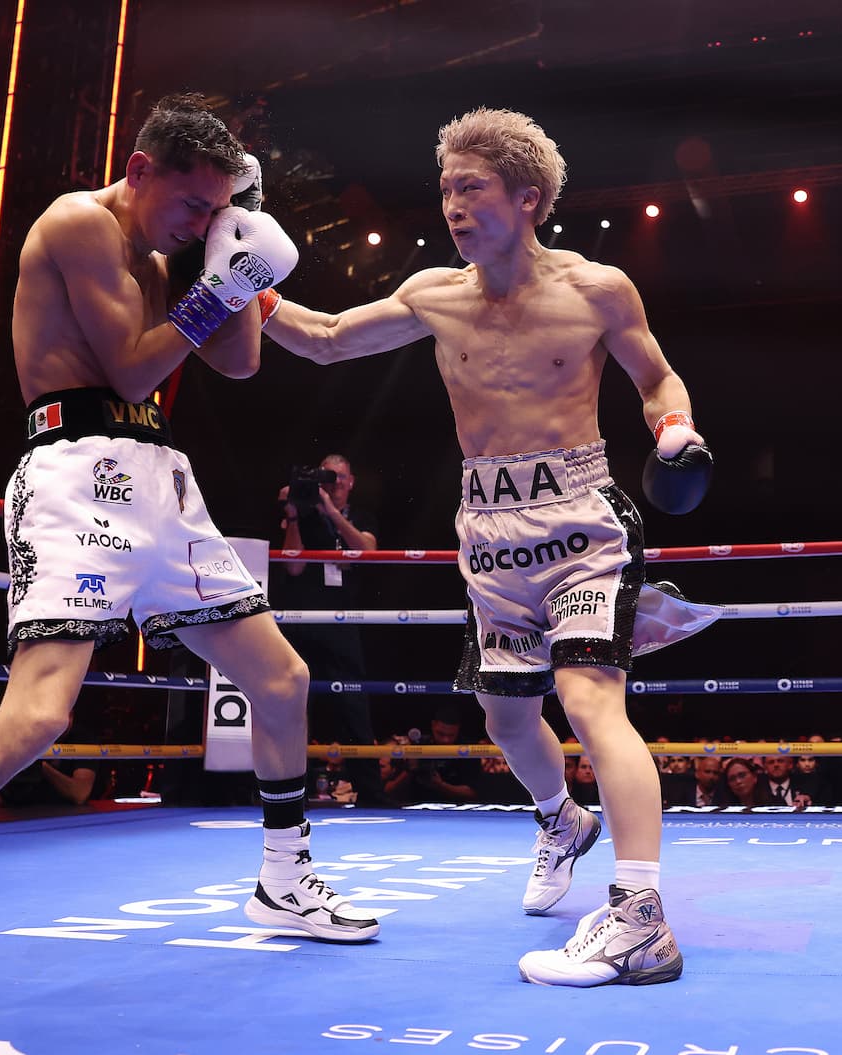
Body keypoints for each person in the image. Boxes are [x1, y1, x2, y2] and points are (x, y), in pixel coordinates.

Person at [0, 94, 377, 1027]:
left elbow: (240, 364)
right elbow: (134, 367)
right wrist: (217, 284)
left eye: (216, 209)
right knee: (37, 715)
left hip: (162, 478)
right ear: (140, 171)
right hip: (76, 474)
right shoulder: (76, 223)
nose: (198, 222)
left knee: (282, 679)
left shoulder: (170, 253)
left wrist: (234, 257)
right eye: (192, 204)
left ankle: (283, 879)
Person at [263, 106, 720, 986]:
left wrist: (674, 428)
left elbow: (656, 376)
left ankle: (639, 917)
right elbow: (323, 339)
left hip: (582, 521)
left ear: (529, 197)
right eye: (446, 189)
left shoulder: (597, 288)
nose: (453, 206)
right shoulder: (434, 295)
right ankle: (563, 819)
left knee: (589, 699)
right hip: (490, 533)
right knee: (505, 716)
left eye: (471, 188)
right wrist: (242, 288)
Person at [272, 454, 382, 804]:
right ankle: (293, 792)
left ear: (351, 481)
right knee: (297, 704)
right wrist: (293, 515)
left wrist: (332, 513)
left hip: (344, 621)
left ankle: (372, 793)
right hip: (303, 620)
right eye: (327, 477)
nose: (334, 483)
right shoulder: (303, 514)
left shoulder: (360, 517)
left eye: (340, 477)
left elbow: (368, 551)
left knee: (354, 705)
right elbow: (292, 567)